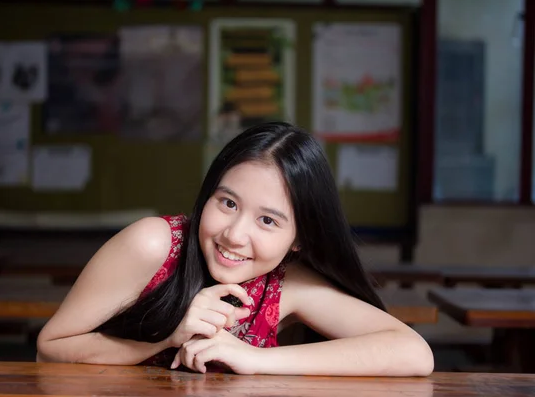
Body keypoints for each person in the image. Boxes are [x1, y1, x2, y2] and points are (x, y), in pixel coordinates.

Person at [36, 122, 434, 377]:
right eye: (227, 203)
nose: (234, 235)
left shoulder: (286, 283)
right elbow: (49, 351)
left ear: (299, 239)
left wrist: (255, 359)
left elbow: (414, 354)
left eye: (268, 221)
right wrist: (167, 335)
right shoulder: (154, 244)